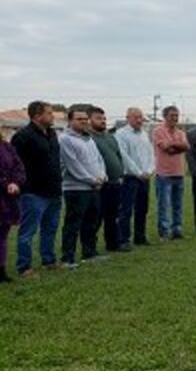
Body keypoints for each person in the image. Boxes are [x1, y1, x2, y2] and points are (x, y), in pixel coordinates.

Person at [12, 101, 62, 277]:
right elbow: (14, 164)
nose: (53, 116)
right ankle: (24, 267)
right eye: (49, 113)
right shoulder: (23, 136)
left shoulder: (52, 134)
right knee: (28, 231)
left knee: (50, 228)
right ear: (37, 116)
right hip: (33, 192)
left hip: (54, 190)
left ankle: (49, 260)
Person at [59, 105, 107, 268]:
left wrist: (102, 175)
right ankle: (67, 258)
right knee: (73, 224)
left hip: (93, 188)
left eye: (85, 119)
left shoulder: (88, 138)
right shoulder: (65, 139)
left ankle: (89, 253)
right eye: (79, 119)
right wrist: (92, 179)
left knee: (91, 223)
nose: (83, 122)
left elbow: (99, 159)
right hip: (75, 189)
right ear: (70, 120)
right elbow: (73, 166)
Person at [88, 106, 127, 253]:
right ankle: (90, 248)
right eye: (98, 118)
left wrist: (121, 173)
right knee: (96, 218)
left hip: (115, 183)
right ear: (90, 120)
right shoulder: (89, 138)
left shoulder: (110, 137)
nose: (103, 121)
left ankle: (113, 244)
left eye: (104, 118)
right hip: (99, 184)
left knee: (113, 216)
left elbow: (118, 156)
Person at [115, 107, 155, 247]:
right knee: (126, 209)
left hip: (145, 177)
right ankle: (123, 239)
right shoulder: (121, 134)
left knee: (142, 209)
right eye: (136, 117)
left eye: (140, 117)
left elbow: (151, 153)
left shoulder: (144, 134)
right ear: (128, 118)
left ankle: (140, 236)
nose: (139, 120)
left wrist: (150, 170)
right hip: (130, 177)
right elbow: (124, 156)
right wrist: (138, 172)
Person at [152, 105, 190, 240]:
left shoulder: (181, 132)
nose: (175, 118)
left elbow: (186, 147)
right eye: (172, 115)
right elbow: (166, 148)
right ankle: (164, 232)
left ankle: (177, 230)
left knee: (178, 204)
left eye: (176, 115)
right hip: (164, 174)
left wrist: (174, 145)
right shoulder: (158, 131)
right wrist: (178, 145)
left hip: (179, 173)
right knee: (164, 205)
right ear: (165, 117)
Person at [0, 131, 27, 282]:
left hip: (7, 199)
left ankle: (1, 271)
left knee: (2, 234)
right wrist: (6, 183)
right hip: (4, 190)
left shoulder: (6, 146)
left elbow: (19, 167)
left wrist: (15, 182)